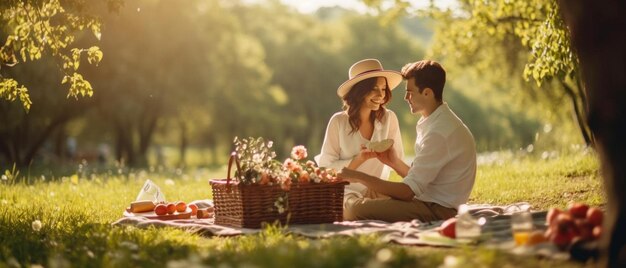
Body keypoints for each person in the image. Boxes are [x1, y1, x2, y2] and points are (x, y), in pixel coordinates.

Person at [337, 60, 477, 222]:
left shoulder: (439, 132)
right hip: (425, 198)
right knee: (367, 192)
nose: (406, 97)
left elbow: (407, 192)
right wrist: (394, 162)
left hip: (436, 208)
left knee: (354, 210)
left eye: (410, 92)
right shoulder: (434, 122)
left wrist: (358, 176)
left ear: (427, 93)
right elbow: (421, 179)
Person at [315, 59, 405, 218]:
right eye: (374, 89)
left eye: (383, 89)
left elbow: (399, 161)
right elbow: (325, 168)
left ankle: (378, 210)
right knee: (356, 210)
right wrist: (359, 159)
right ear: (360, 91)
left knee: (406, 205)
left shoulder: (389, 118)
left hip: (377, 190)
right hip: (345, 193)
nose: (381, 95)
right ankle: (375, 212)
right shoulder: (338, 122)